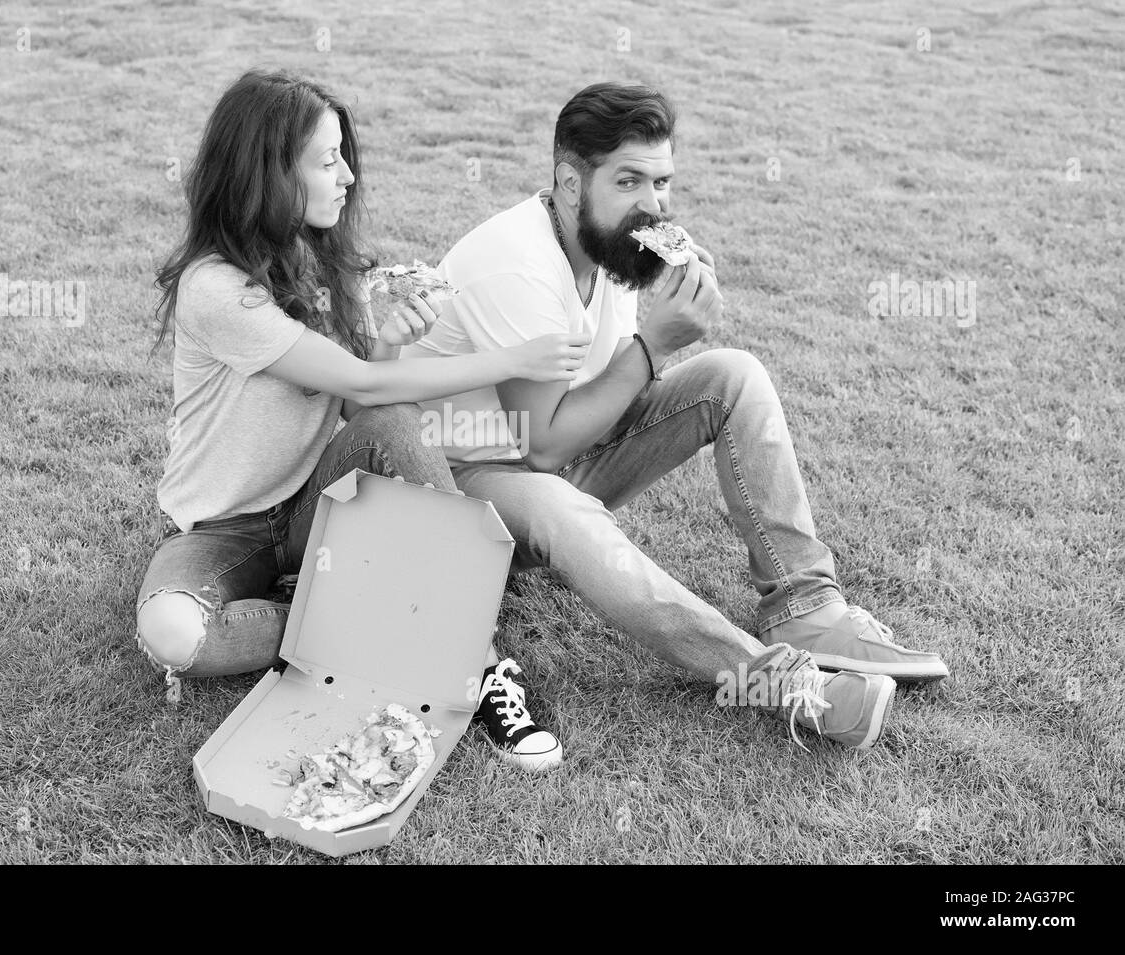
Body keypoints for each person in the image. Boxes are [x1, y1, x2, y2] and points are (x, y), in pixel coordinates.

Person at [399, 81, 950, 754]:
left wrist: (662, 321)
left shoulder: (613, 249)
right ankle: (785, 685)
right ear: (571, 185)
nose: (653, 205)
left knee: (733, 375)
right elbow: (540, 449)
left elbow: (597, 404)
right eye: (629, 181)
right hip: (463, 487)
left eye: (662, 183)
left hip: (552, 456)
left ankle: (807, 608)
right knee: (566, 509)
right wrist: (655, 343)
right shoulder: (515, 265)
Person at [135, 70, 587, 771]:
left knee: (399, 428)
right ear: (268, 175)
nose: (347, 176)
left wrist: (392, 336)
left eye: (344, 155)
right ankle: (358, 620)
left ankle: (482, 665)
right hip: (225, 531)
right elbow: (364, 380)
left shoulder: (319, 265)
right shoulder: (216, 290)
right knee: (173, 634)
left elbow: (365, 407)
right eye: (326, 161)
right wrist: (512, 357)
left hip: (316, 506)